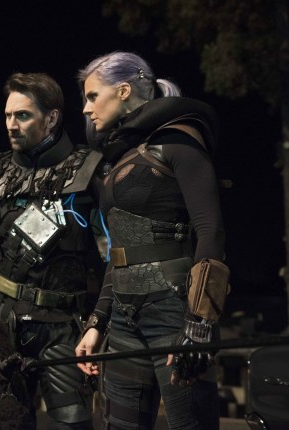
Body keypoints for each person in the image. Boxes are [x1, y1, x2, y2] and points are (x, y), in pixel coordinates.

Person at [0, 72, 105, 429]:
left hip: (64, 327)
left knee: (73, 423)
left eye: (23, 115)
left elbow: (112, 258)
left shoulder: (90, 171)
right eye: (8, 115)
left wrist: (100, 325)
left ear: (52, 118)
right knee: (3, 422)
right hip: (2, 325)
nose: (11, 125)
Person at [74, 51, 230, 429]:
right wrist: (97, 322)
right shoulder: (120, 156)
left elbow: (210, 231)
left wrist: (199, 323)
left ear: (123, 91)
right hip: (124, 320)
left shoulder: (179, 141)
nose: (86, 108)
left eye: (93, 96)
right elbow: (120, 251)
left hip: (175, 312)